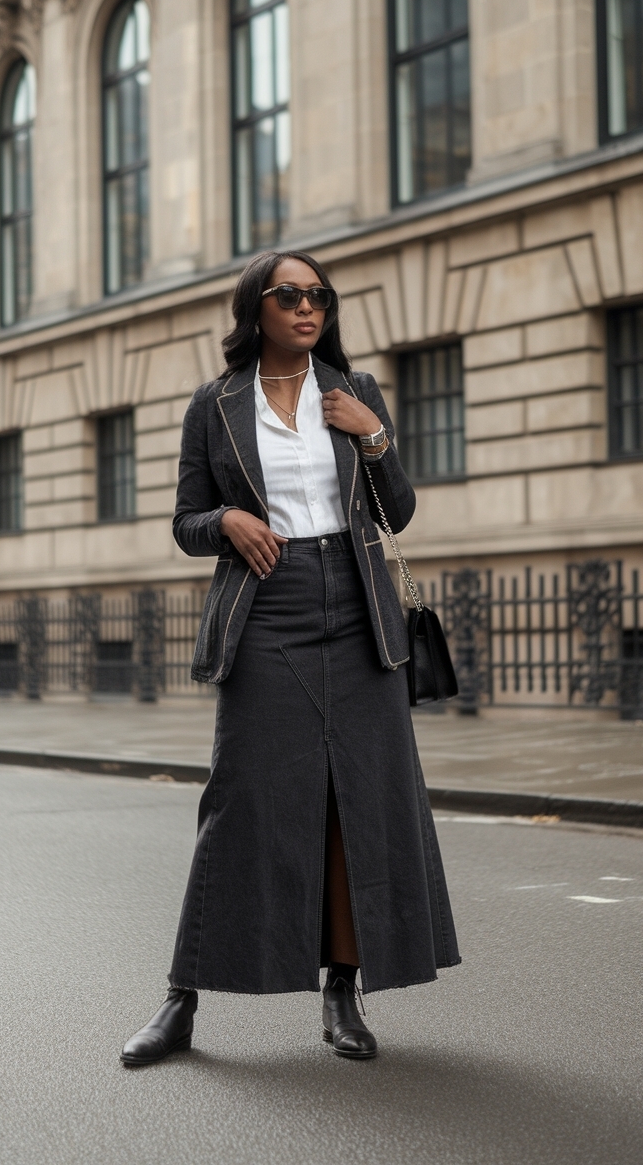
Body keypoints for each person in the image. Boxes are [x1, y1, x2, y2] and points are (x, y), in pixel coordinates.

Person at [120, 249, 460, 1065]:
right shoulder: (217, 404)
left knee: (359, 801)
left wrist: (372, 438)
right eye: (289, 295)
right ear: (257, 309)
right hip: (268, 606)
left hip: (356, 599)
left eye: (318, 296)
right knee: (238, 799)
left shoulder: (354, 393)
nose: (307, 307)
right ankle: (181, 1000)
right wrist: (228, 524)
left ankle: (342, 991)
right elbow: (185, 519)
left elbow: (398, 514)